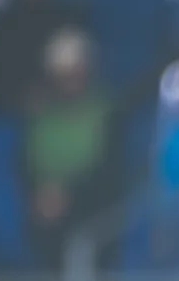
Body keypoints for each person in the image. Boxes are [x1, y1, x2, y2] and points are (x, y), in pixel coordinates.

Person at [25, 28, 119, 267]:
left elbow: (108, 174)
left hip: (92, 213)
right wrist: (43, 193)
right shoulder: (41, 117)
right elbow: (31, 165)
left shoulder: (106, 114)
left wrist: (69, 195)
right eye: (63, 73)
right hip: (46, 216)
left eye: (76, 71)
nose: (71, 80)